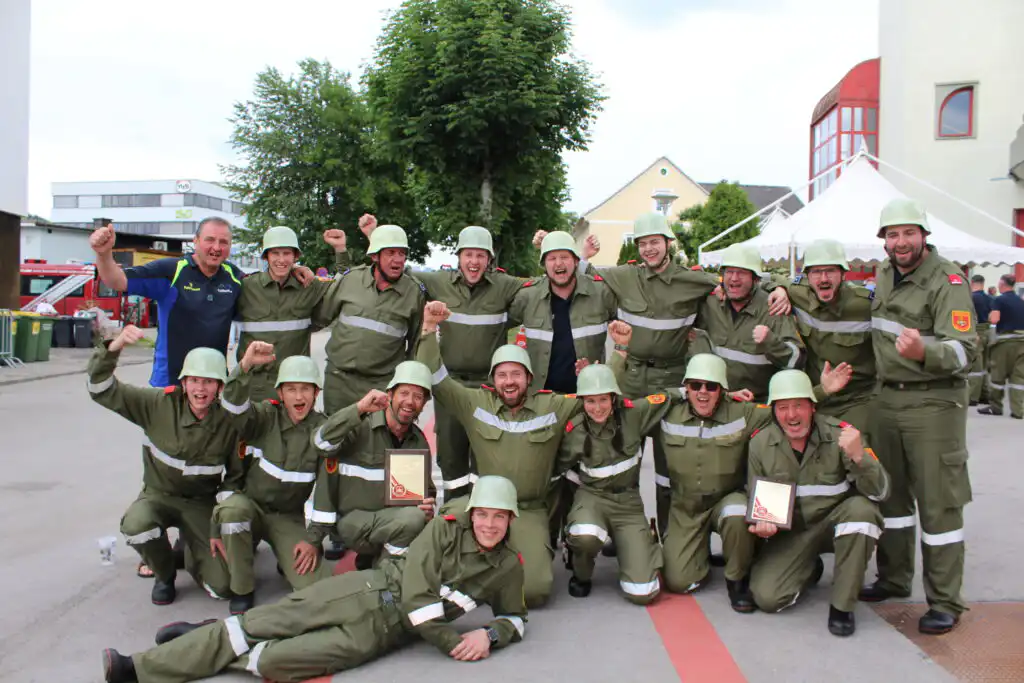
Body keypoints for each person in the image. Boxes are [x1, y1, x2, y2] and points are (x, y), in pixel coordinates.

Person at [100, 476, 527, 683]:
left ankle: (205, 638)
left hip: (377, 638)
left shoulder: (508, 566)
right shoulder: (445, 528)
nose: (489, 524)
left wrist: (490, 635)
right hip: (363, 593)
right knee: (257, 625)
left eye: (499, 517)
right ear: (472, 516)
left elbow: (516, 616)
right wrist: (455, 642)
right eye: (483, 515)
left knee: (271, 662)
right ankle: (135, 670)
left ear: (511, 520)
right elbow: (417, 596)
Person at [572, 216, 792, 539]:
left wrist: (780, 286)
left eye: (655, 242)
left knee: (669, 469)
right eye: (643, 243)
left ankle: (669, 538)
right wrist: (580, 250)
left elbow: (747, 278)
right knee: (622, 461)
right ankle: (623, 535)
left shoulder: (695, 281)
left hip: (674, 382)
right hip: (631, 379)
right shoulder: (626, 276)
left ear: (668, 243)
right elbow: (580, 274)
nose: (648, 249)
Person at [858, 198, 976, 635]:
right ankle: (893, 577)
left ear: (924, 236)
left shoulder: (949, 282)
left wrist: (925, 350)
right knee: (890, 496)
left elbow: (965, 349)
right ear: (884, 241)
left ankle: (945, 601)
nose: (900, 242)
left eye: (909, 233)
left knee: (938, 503)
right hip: (888, 401)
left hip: (933, 404)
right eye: (892, 234)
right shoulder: (885, 273)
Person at [418, 301, 585, 607]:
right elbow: (438, 380)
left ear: (529, 379)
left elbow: (597, 400)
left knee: (535, 591)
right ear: (493, 380)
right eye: (502, 375)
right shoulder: (475, 404)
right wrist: (429, 329)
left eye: (517, 374)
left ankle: (490, 577)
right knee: (441, 563)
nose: (510, 381)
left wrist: (604, 367)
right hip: (484, 509)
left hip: (528, 511)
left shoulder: (553, 406)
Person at [353, 217, 528, 501]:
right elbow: (399, 271)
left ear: (489, 260)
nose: (474, 262)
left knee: (490, 454)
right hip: (449, 385)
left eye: (480, 255)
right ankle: (455, 511)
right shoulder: (438, 282)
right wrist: (375, 236)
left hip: (489, 389)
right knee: (450, 455)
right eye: (468, 254)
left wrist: (578, 259)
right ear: (458, 257)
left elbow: (541, 286)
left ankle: (487, 514)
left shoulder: (504, 286)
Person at [86, 324, 241, 605]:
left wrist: (218, 526)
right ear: (183, 383)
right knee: (137, 526)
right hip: (158, 495)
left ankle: (194, 555)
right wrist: (113, 348)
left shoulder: (229, 422)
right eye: (194, 380)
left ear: (220, 386)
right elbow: (101, 389)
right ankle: (164, 573)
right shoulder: (156, 404)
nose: (200, 389)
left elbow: (234, 478)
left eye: (209, 381)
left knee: (224, 586)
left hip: (201, 503)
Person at [747, 370, 888, 637]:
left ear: (813, 407)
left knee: (863, 514)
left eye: (799, 406)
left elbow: (881, 493)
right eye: (783, 408)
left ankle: (842, 606)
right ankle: (809, 568)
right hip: (795, 533)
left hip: (837, 523)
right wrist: (763, 524)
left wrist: (861, 458)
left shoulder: (842, 435)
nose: (792, 415)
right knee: (767, 598)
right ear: (773, 411)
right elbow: (761, 503)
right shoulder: (760, 444)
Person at [652, 354, 775, 611]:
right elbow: (628, 408)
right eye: (696, 385)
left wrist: (823, 391)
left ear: (723, 390)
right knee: (679, 581)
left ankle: (737, 580)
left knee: (737, 512)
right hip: (685, 508)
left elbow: (785, 412)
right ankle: (699, 556)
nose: (703, 392)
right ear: (686, 387)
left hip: (725, 499)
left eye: (712, 386)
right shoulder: (667, 413)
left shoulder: (742, 412)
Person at [213, 344, 330, 614]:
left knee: (314, 585)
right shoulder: (265, 416)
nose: (299, 397)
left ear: (316, 393)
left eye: (306, 389)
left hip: (287, 517)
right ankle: (242, 589)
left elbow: (327, 491)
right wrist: (244, 367)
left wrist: (313, 540)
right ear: (280, 393)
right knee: (233, 513)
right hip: (250, 508)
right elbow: (232, 405)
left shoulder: (322, 430)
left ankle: (283, 553)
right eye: (291, 389)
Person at [555, 342, 670, 605]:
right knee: (585, 535)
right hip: (592, 497)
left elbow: (671, 397)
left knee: (643, 593)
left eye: (603, 400)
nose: (597, 408)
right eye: (591, 401)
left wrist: (721, 394)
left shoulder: (635, 414)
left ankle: (641, 541)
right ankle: (580, 571)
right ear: (581, 401)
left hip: (628, 503)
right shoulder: (574, 431)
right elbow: (559, 470)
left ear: (614, 398)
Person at [306, 361, 436, 568]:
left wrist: (428, 505)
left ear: (424, 404)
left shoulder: (418, 441)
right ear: (390, 394)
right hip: (352, 524)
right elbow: (320, 443)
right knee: (413, 520)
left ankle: (375, 560)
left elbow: (424, 491)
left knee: (423, 523)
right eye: (404, 393)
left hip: (387, 524)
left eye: (418, 396)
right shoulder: (360, 426)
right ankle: (382, 572)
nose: (410, 402)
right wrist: (358, 409)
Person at [314, 223, 426, 414]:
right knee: (336, 439)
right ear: (375, 256)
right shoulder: (350, 280)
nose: (398, 259)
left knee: (376, 440)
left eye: (401, 253)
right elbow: (322, 316)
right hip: (338, 380)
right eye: (391, 252)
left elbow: (415, 344)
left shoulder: (414, 293)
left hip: (381, 384)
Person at [232, 226, 336, 402]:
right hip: (256, 385)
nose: (281, 260)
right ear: (266, 257)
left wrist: (340, 251)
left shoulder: (308, 286)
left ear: (295, 257)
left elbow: (344, 286)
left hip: (295, 384)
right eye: (275, 254)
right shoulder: (247, 287)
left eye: (287, 253)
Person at [691, 242, 804, 401]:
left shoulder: (773, 307)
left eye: (742, 273)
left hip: (757, 404)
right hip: (718, 401)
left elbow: (796, 361)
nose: (734, 278)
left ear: (755, 279)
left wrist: (771, 343)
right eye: (729, 271)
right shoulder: (712, 303)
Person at [783, 239, 875, 433]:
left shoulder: (865, 305)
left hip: (857, 400)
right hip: (816, 397)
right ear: (807, 276)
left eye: (830, 271)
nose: (823, 278)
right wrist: (779, 289)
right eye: (816, 272)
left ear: (843, 274)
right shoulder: (799, 294)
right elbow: (775, 282)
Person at [509, 231, 616, 395]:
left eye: (564, 257)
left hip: (588, 397)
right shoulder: (528, 296)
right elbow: (497, 324)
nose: (558, 263)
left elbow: (629, 328)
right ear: (544, 264)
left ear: (575, 261)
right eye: (552, 258)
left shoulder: (600, 293)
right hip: (540, 398)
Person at [978, 274, 1024, 419]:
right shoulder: (1020, 301)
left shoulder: (999, 300)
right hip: (1022, 342)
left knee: (998, 375)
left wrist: (991, 317)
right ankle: (1018, 410)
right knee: (1018, 377)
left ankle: (996, 406)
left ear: (1002, 284)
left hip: (1005, 342)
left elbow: (995, 318)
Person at [968, 274, 993, 406]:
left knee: (975, 365)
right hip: (987, 331)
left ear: (972, 283)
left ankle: (973, 396)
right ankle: (985, 394)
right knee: (984, 365)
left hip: (976, 330)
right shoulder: (990, 298)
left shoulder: (971, 298)